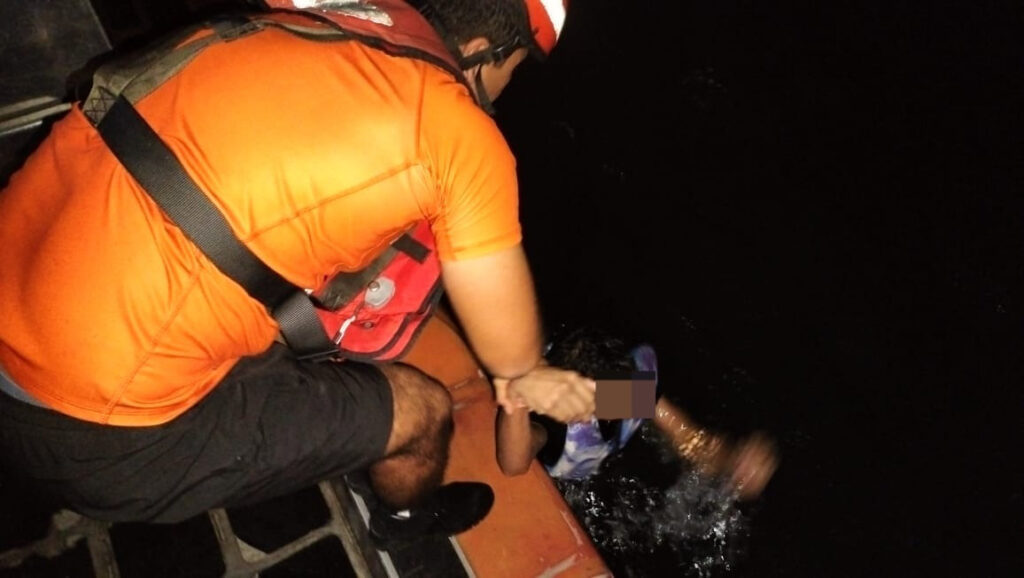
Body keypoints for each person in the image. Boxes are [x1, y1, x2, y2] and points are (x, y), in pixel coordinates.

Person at [0, 0, 595, 549]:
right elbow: (515, 368)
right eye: (512, 71)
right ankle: (401, 520)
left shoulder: (288, 20)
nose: (505, 91)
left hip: (26, 279)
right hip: (92, 435)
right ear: (481, 50)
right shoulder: (456, 131)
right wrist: (547, 384)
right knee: (423, 408)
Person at [497, 327, 778, 500]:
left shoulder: (619, 389)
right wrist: (518, 396)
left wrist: (731, 463)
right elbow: (513, 464)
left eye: (615, 396)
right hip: (563, 479)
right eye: (602, 403)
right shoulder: (550, 423)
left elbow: (687, 437)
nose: (618, 404)